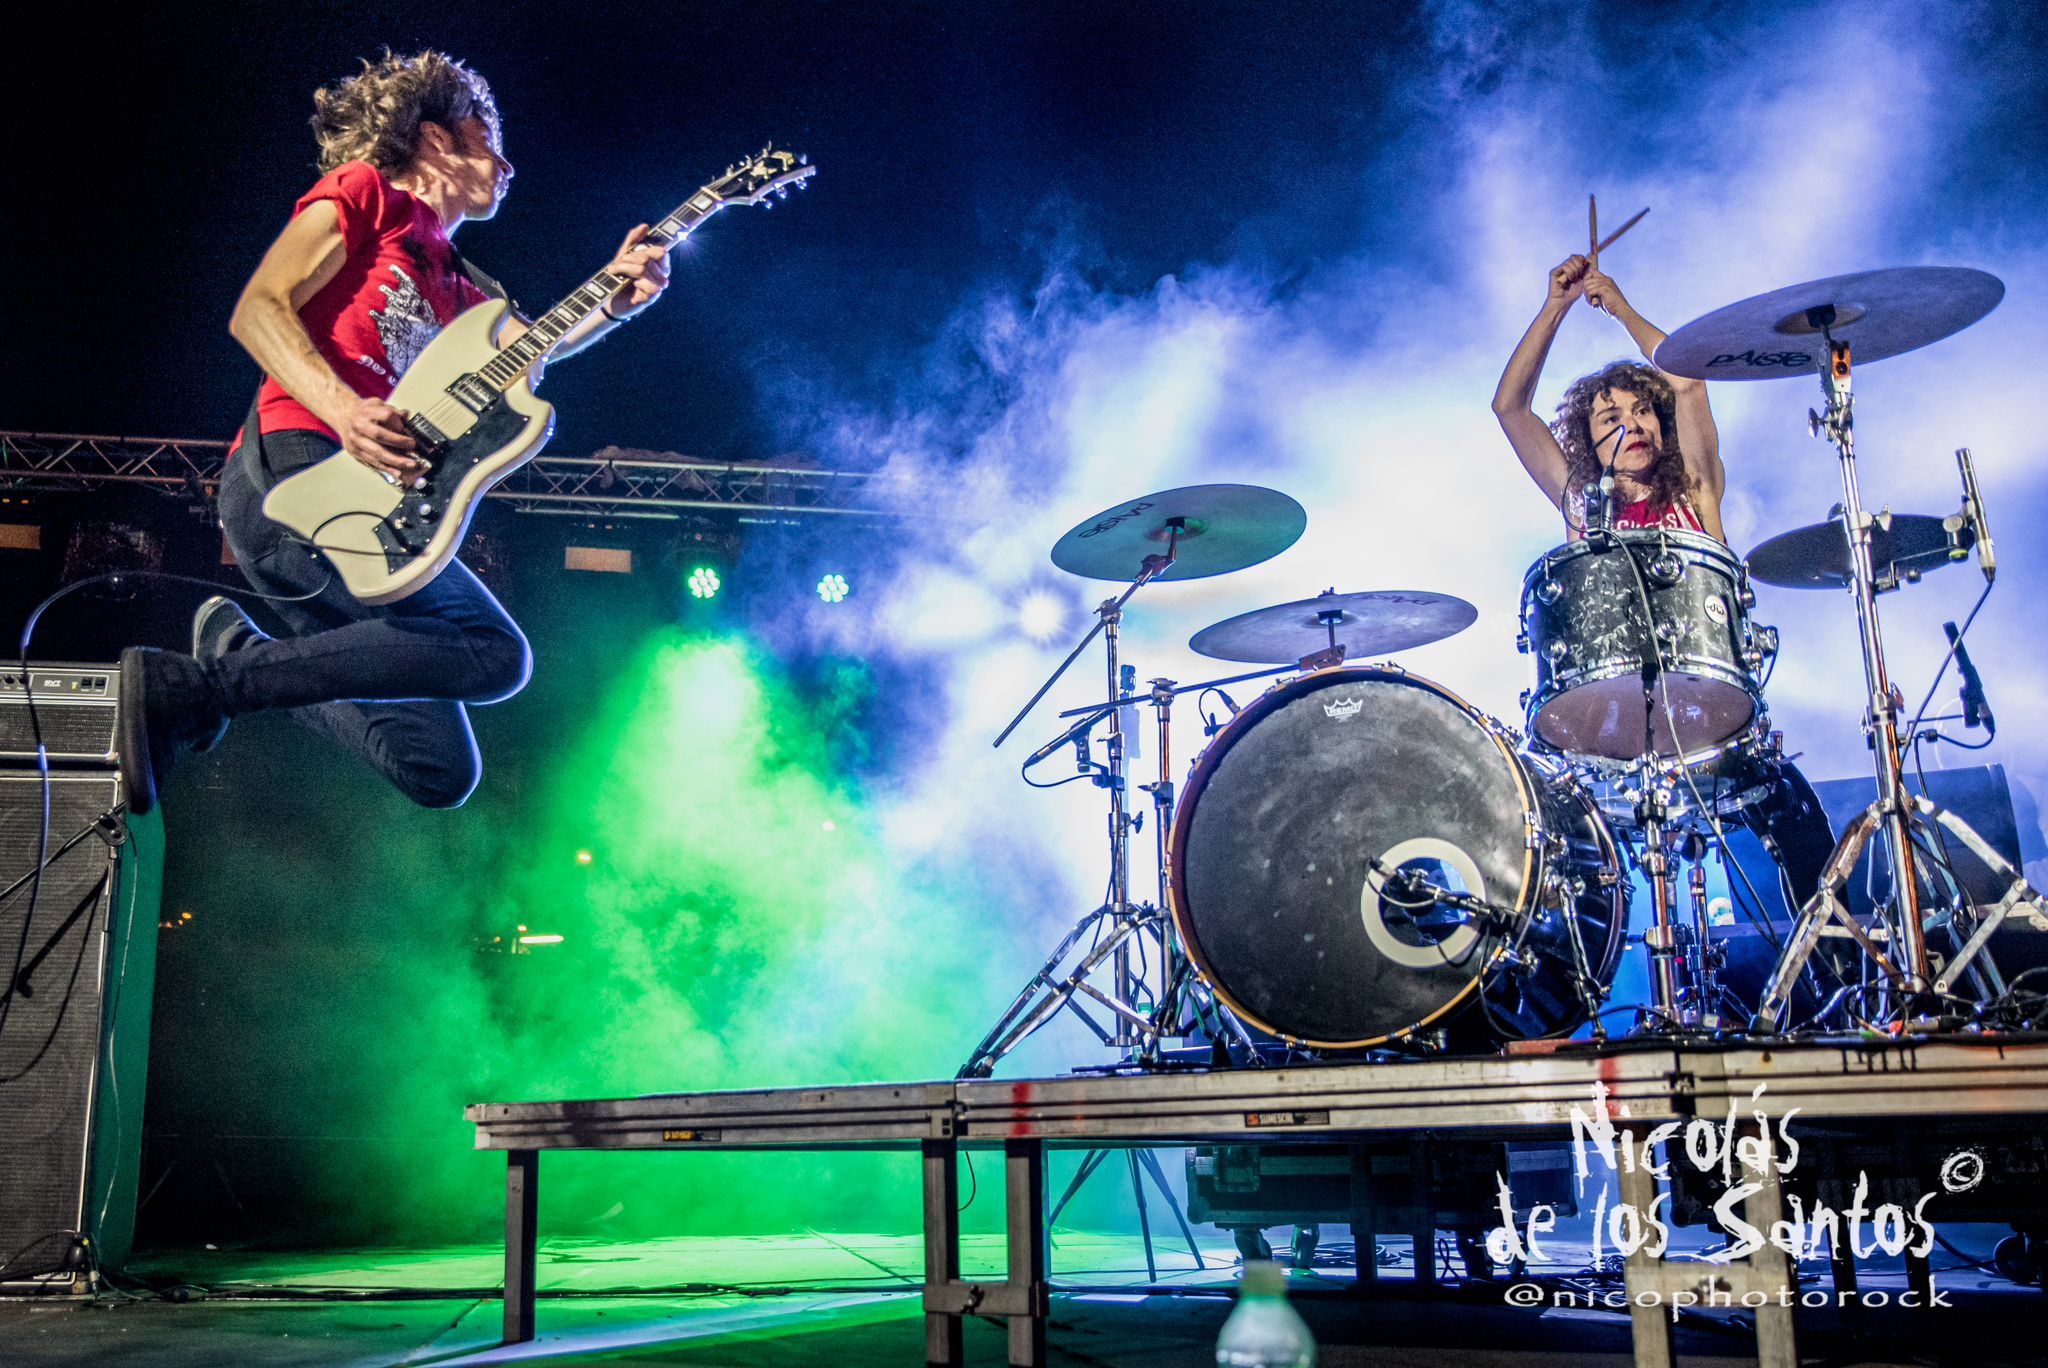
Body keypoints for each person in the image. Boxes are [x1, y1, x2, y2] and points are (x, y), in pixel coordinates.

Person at [117, 50, 670, 814]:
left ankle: (230, 663)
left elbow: (534, 344)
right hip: (300, 473)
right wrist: (346, 411)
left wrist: (613, 301)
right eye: (490, 138)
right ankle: (195, 687)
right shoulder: (366, 193)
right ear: (438, 139)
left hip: (373, 520)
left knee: (437, 767)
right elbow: (260, 307)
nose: (508, 166)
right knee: (494, 651)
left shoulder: (473, 293)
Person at [1492, 254, 1726, 543]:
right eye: (1612, 419)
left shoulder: (1694, 487)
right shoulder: (1580, 504)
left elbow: (1688, 382)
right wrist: (1556, 306)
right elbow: (1509, 408)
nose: (1632, 425)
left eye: (1642, 411)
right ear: (1588, 439)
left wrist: (1621, 310)